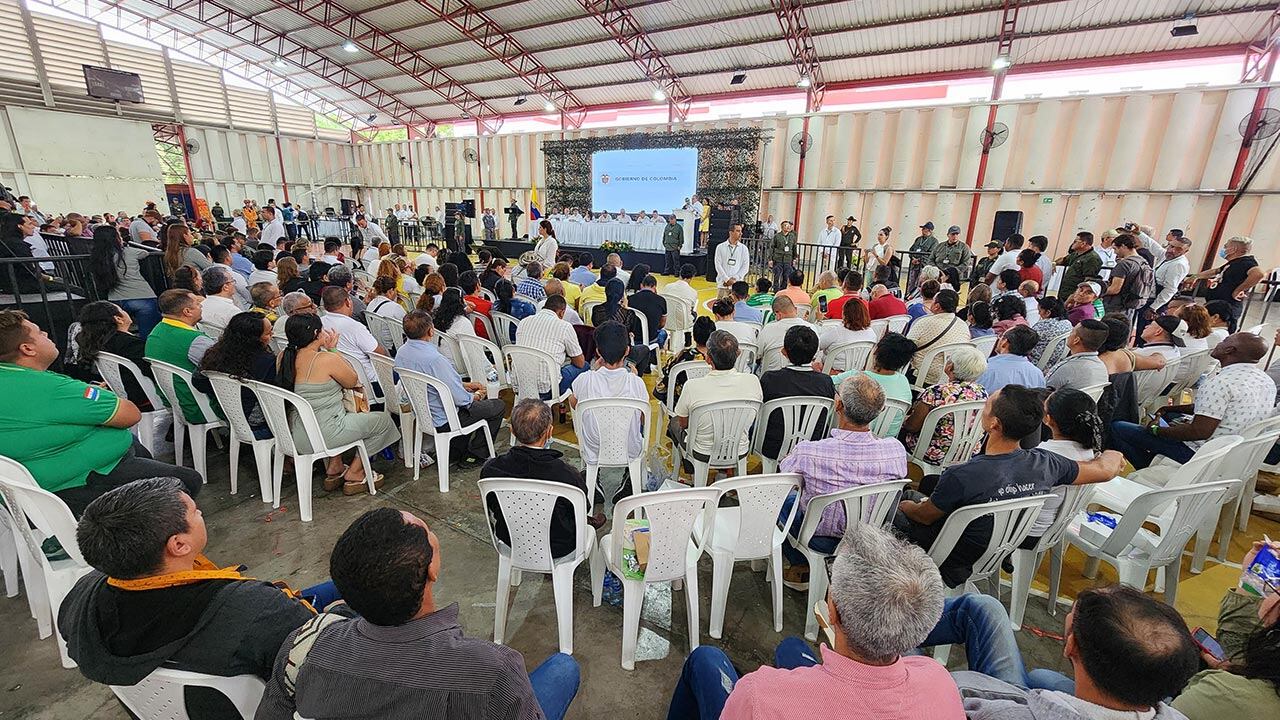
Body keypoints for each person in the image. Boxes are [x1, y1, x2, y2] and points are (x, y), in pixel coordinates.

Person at [59, 478, 344, 720]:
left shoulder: (83, 596)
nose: (201, 512)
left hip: (176, 705)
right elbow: (325, 662)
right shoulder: (253, 609)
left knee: (334, 586)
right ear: (179, 544)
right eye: (195, 512)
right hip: (270, 702)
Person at [257, 507, 580, 720]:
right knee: (564, 668)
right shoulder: (493, 669)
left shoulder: (305, 645)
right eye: (427, 532)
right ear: (431, 569)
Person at [671, 521, 963, 719]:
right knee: (791, 648)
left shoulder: (760, 695)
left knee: (705, 660)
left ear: (832, 610)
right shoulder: (939, 682)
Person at [896, 385, 1124, 586]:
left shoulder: (962, 474)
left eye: (987, 405)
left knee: (895, 504)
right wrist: (1112, 453)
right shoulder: (1047, 463)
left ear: (994, 423)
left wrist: (904, 506)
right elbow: (1105, 470)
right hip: (998, 546)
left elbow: (924, 517)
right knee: (919, 494)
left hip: (950, 554)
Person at [0, 310, 202, 515]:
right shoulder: (50, 388)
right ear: (27, 348)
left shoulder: (11, 377)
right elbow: (131, 415)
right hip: (77, 483)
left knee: (136, 446)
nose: (45, 333)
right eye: (39, 332)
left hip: (57, 476)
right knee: (188, 480)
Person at [1111, 332, 1274, 469]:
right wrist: (1170, 409)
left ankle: (1146, 466)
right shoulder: (1265, 380)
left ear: (1229, 350)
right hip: (1232, 453)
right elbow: (1215, 408)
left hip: (1201, 455)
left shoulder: (1220, 383)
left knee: (1117, 427)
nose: (1219, 343)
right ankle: (1157, 455)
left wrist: (1155, 430)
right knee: (1169, 417)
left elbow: (1199, 432)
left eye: (1225, 341)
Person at [278, 313, 398, 494]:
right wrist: (333, 350)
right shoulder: (326, 359)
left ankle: (335, 467)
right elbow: (352, 380)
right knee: (383, 421)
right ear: (317, 333)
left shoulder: (283, 357)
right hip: (327, 433)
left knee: (335, 410)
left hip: (296, 435)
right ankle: (356, 472)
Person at [1172, 539, 1280, 720]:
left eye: (1275, 588)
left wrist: (1227, 675)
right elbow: (1238, 640)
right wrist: (1253, 579)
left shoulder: (1225, 695)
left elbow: (1174, 711)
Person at [395, 311, 502, 468]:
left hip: (423, 414)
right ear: (431, 331)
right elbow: (461, 400)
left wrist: (465, 385)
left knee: (476, 405)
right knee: (497, 406)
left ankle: (455, 452)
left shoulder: (401, 353)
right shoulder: (435, 359)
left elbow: (435, 383)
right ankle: (476, 455)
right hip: (446, 418)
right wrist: (477, 395)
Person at [568, 323, 648, 491]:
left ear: (598, 351)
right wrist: (634, 377)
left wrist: (593, 371)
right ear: (627, 351)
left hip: (593, 449)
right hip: (629, 449)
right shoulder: (636, 383)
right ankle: (629, 479)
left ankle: (593, 481)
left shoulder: (585, 379)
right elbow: (643, 419)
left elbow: (574, 404)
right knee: (637, 418)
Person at [673, 330, 762, 461]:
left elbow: (683, 424)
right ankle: (727, 469)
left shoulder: (692, 386)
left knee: (674, 423)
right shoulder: (753, 381)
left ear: (708, 359)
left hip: (702, 452)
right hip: (739, 449)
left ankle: (690, 467)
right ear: (738, 354)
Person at [902, 346, 988, 466]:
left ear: (950, 367)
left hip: (930, 452)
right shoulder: (982, 393)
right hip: (965, 452)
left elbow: (912, 426)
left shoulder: (936, 392)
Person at [198, 312, 278, 439]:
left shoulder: (214, 355)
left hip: (226, 414)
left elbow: (198, 382)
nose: (272, 335)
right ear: (255, 339)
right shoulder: (266, 362)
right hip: (258, 424)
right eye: (268, 333)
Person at [760, 326, 835, 460]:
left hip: (772, 447)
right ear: (815, 354)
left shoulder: (770, 379)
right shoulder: (825, 382)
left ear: (784, 351)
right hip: (813, 445)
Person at [145, 289, 218, 425]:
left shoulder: (156, 332)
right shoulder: (194, 340)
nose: (201, 306)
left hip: (172, 401)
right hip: (200, 406)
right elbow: (224, 369)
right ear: (187, 312)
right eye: (197, 304)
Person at [72, 301, 155, 411]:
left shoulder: (97, 343)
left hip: (122, 397)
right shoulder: (129, 344)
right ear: (118, 319)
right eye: (122, 310)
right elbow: (152, 371)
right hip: (145, 398)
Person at [88, 225, 160, 340]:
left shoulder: (97, 258)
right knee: (149, 335)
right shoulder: (129, 252)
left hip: (115, 299)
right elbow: (144, 253)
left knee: (117, 335)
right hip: (142, 295)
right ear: (116, 238)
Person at [516, 294, 587, 395]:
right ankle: (573, 400)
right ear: (562, 312)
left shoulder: (523, 322)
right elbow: (580, 363)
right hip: (548, 390)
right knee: (585, 366)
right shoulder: (565, 326)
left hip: (520, 385)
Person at [319, 286, 387, 383]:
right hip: (369, 381)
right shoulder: (355, 327)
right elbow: (379, 353)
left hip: (338, 378)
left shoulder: (320, 323)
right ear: (347, 302)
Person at [905, 288, 968, 384]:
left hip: (923, 376)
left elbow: (906, 346)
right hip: (951, 376)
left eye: (933, 301)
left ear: (937, 306)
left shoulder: (924, 322)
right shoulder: (963, 325)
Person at [1044, 319, 1111, 392]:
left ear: (1076, 340)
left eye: (1072, 332)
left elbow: (1042, 392)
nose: (1069, 335)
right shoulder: (1102, 368)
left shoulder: (1066, 369)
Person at [1101, 233, 1153, 324]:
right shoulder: (1143, 262)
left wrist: (1098, 292)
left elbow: (1115, 289)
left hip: (1116, 306)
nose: (1115, 252)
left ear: (1123, 246)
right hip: (1131, 304)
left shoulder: (1124, 264)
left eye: (1115, 249)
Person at [976, 325, 1044, 393]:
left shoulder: (984, 369)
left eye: (1001, 336)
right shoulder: (1038, 374)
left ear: (1005, 342)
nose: (999, 338)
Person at [1028, 296, 1072, 366]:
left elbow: (1026, 343)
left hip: (1036, 363)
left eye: (1040, 311)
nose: (1039, 314)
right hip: (1054, 363)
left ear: (1048, 312)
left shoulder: (1042, 326)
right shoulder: (1067, 324)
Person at [627, 272, 667, 345]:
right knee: (663, 333)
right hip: (651, 339)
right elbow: (662, 324)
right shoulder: (661, 300)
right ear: (654, 287)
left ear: (641, 285)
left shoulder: (630, 299)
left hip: (633, 339)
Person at [714, 223, 750, 289]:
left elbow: (745, 267)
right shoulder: (720, 247)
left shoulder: (744, 248)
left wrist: (735, 279)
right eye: (738, 231)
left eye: (741, 231)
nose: (741, 233)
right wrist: (726, 279)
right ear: (731, 232)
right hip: (723, 284)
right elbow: (718, 265)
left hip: (737, 286)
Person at [768, 219, 799, 290]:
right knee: (777, 275)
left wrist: (795, 258)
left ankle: (783, 290)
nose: (788, 227)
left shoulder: (792, 236)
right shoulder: (777, 236)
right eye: (785, 225)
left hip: (788, 259)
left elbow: (794, 247)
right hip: (778, 258)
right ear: (782, 227)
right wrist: (770, 259)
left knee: (786, 276)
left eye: (788, 226)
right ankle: (776, 290)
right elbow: (772, 248)